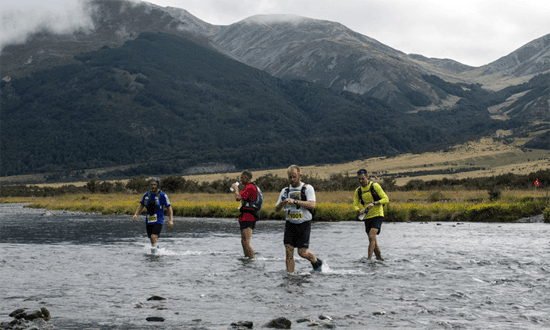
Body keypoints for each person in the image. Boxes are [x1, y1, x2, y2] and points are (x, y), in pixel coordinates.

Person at [275, 165, 323, 273]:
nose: (292, 179)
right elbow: (276, 209)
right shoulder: (285, 191)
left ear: (300, 175)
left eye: (294, 177)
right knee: (288, 251)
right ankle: (290, 276)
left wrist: (295, 201)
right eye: (290, 177)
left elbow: (312, 205)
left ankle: (316, 262)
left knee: (302, 252)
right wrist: (281, 204)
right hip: (290, 224)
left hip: (303, 224)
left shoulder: (307, 188)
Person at [353, 169, 389, 261]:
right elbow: (355, 204)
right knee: (373, 241)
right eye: (359, 179)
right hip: (367, 217)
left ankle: (368, 260)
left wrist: (374, 203)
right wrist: (359, 210)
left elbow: (386, 199)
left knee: (372, 236)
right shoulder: (358, 190)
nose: (361, 181)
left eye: (362, 179)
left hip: (378, 215)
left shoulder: (375, 186)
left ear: (367, 177)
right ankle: (380, 259)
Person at [132, 177, 173, 253]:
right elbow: (141, 205)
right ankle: (154, 255)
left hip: (159, 220)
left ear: (157, 185)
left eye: (154, 184)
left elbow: (169, 208)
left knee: (153, 236)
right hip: (149, 220)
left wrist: (170, 220)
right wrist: (136, 214)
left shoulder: (163, 195)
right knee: (151, 239)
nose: (153, 186)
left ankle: (156, 254)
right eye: (151, 184)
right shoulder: (146, 195)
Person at [231, 170, 262, 259]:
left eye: (241, 177)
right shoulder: (250, 187)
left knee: (246, 241)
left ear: (246, 178)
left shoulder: (250, 187)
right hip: (247, 215)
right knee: (243, 241)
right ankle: (247, 259)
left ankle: (252, 260)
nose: (240, 179)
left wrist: (236, 189)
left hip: (249, 216)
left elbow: (238, 198)